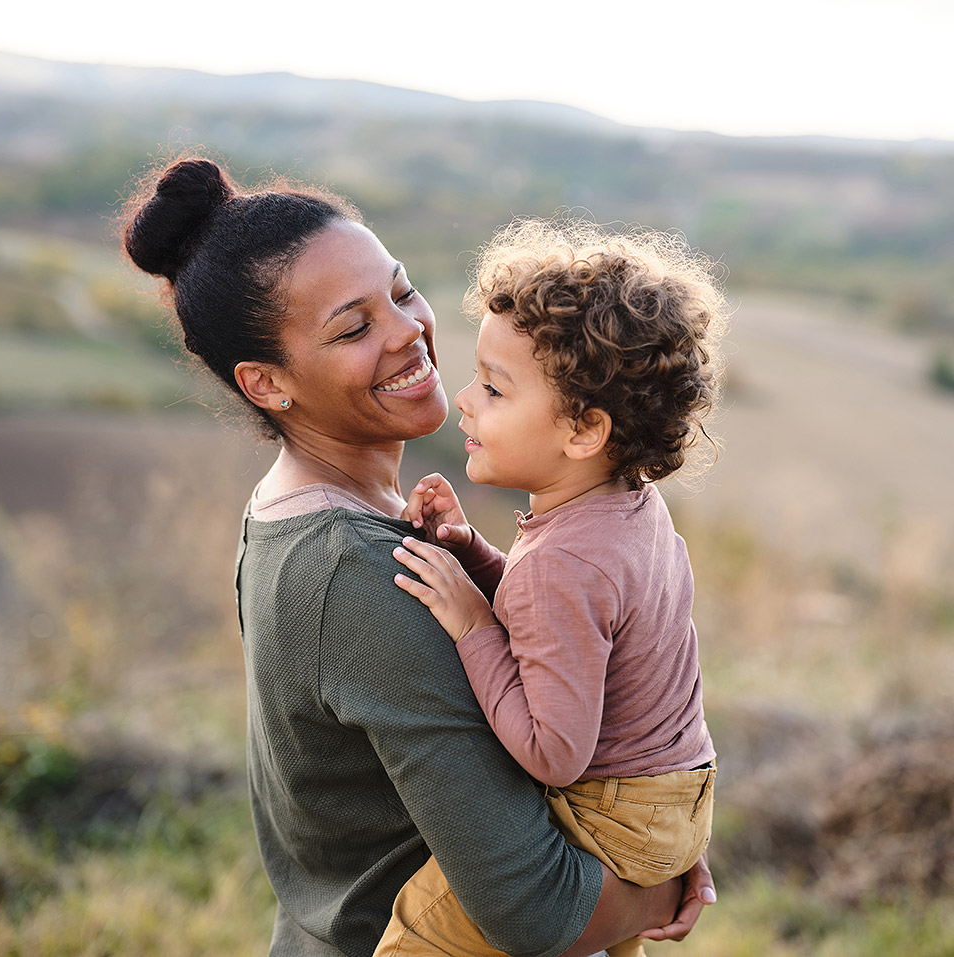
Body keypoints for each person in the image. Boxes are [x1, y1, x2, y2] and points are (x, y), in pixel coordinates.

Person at [121, 157, 716, 957]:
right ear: (267, 383)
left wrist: (651, 829)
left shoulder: (308, 515)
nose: (408, 330)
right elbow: (536, 912)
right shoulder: (355, 572)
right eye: (353, 326)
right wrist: (654, 885)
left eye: (400, 291)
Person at [387, 217, 727, 957]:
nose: (465, 400)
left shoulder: (563, 565)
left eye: (494, 388)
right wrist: (475, 554)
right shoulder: (626, 505)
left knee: (417, 931)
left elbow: (553, 752)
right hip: (673, 801)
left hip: (615, 813)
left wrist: (473, 623)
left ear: (583, 430)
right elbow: (568, 638)